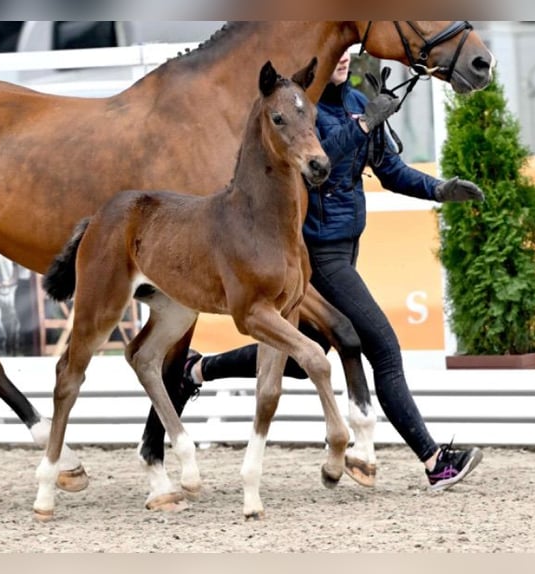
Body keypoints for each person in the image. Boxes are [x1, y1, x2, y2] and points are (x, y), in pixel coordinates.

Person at [181, 51, 485, 491]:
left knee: (306, 356)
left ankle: (198, 370)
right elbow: (316, 169)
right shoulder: (301, 112)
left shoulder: (362, 102)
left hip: (348, 244)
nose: (344, 60)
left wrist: (438, 189)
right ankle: (435, 460)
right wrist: (362, 126)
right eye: (336, 53)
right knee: (382, 345)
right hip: (316, 253)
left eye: (350, 53)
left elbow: (390, 170)